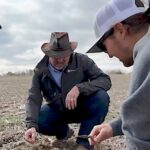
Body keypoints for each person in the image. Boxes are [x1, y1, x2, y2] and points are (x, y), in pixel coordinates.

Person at [24, 32, 111, 150]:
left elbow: (104, 80)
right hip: (58, 110)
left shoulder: (82, 60)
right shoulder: (40, 70)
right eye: (55, 55)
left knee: (101, 97)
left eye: (64, 55)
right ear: (48, 53)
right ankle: (64, 133)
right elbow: (33, 97)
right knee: (39, 121)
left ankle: (84, 143)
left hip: (82, 107)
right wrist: (31, 126)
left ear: (70, 52)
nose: (60, 59)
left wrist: (80, 88)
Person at [87, 0, 150, 149]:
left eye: (103, 45)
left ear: (120, 29)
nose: (108, 55)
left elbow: (140, 140)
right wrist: (113, 127)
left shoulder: (146, 56)